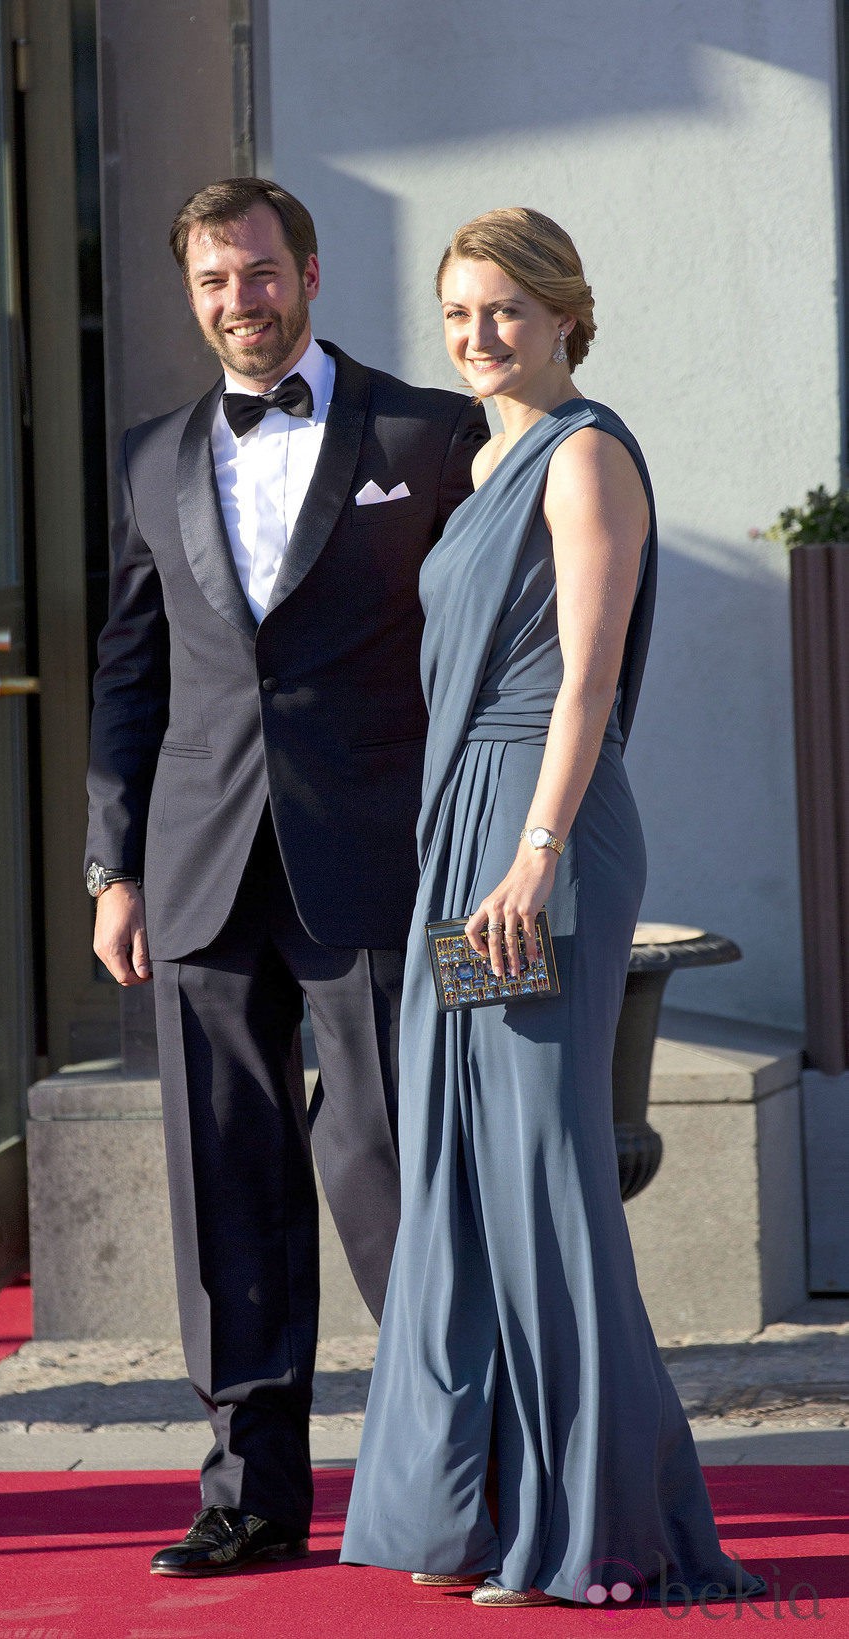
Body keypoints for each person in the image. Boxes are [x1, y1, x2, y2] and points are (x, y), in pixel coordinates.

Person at [340, 208, 766, 1609]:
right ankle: (488, 1512)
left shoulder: (583, 456)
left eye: (506, 311)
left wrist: (534, 850)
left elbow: (585, 681)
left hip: (545, 841)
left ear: (567, 315)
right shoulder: (486, 461)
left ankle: (594, 1531)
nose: (478, 336)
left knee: (542, 1175)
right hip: (473, 836)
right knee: (467, 1169)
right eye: (459, 312)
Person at [85, 176, 488, 1578]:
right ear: (190, 293)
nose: (239, 303)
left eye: (259, 275)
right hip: (197, 866)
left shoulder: (430, 435)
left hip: (371, 866)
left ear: (307, 272)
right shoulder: (146, 456)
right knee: (226, 1182)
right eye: (212, 282)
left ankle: (450, 1464)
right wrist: (108, 865)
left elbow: (488, 649)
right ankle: (250, 1494)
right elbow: (130, 674)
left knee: (387, 1168)